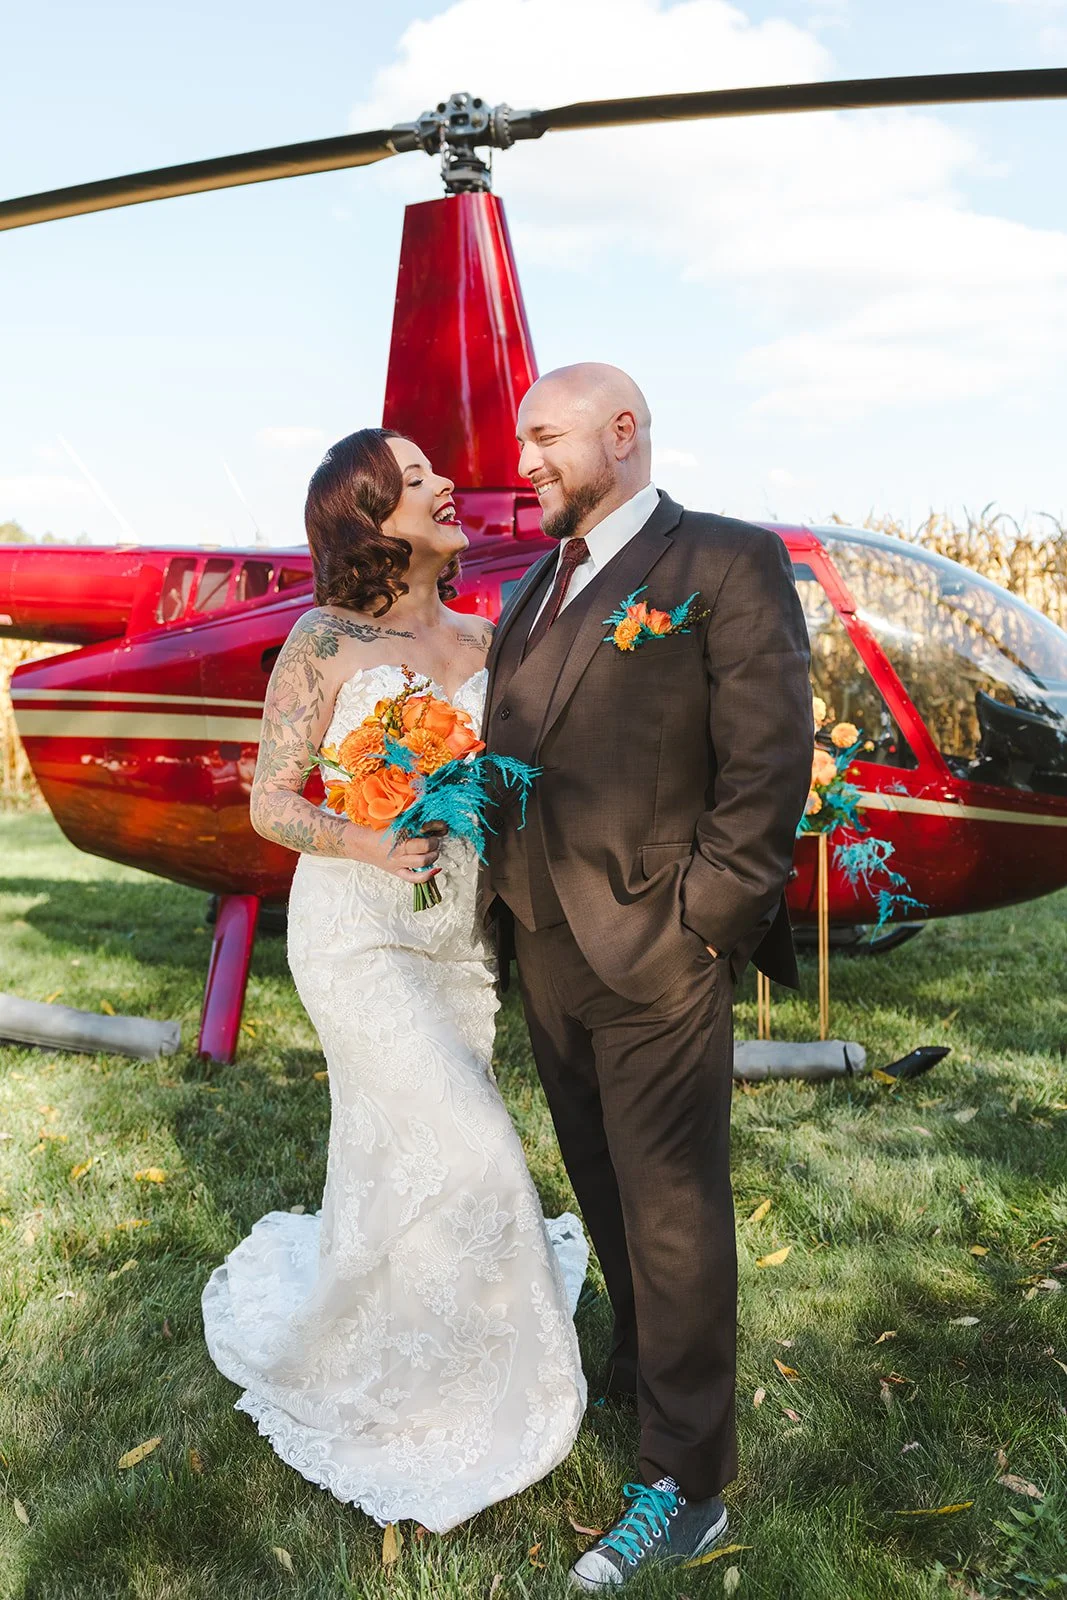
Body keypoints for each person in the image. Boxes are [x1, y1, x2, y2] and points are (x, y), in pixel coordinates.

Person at [201, 428, 587, 1534]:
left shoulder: (485, 635)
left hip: (458, 942)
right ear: (369, 522)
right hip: (356, 934)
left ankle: (413, 1340)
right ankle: (455, 1399)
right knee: (472, 1144)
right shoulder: (322, 641)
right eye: (415, 481)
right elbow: (272, 801)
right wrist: (375, 842)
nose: (445, 486)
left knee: (396, 1150)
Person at [479, 363, 812, 1589]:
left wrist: (704, 924)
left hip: (659, 944)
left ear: (621, 433)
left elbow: (767, 760)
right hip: (544, 942)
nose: (526, 460)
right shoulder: (535, 586)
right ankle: (641, 1370)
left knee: (672, 1210)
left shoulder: (720, 562)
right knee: (604, 1181)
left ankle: (686, 1483)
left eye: (545, 436)